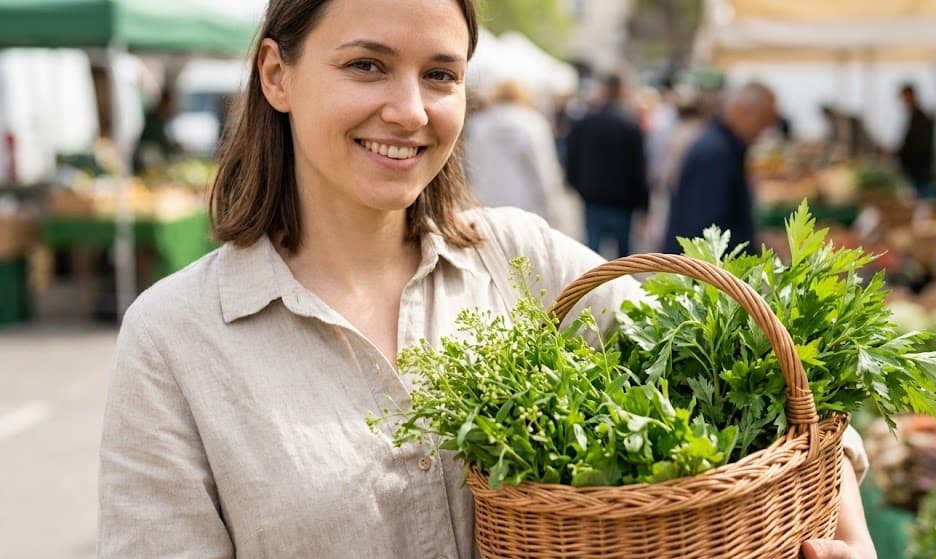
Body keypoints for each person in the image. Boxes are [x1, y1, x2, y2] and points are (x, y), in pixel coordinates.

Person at [97, 2, 876, 558]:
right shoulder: (178, 335)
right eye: (367, 65)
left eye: (441, 74)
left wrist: (848, 532)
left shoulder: (521, 259)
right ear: (277, 74)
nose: (409, 109)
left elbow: (774, 383)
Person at [661, 82, 777, 254]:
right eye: (763, 120)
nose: (764, 129)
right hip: (700, 270)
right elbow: (705, 227)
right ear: (742, 112)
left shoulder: (722, 146)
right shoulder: (715, 153)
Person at [566, 73, 649, 258]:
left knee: (591, 258)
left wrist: (576, 186)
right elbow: (639, 168)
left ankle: (593, 288)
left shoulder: (587, 122)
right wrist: (644, 204)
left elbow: (572, 158)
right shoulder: (629, 124)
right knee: (622, 263)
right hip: (622, 203)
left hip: (594, 198)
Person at [463, 80, 564, 223]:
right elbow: (544, 169)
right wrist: (551, 206)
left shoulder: (479, 124)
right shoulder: (534, 123)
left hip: (485, 202)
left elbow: (469, 165)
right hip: (526, 207)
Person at [896, 83, 936, 199]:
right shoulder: (914, 117)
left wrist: (899, 153)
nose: (904, 103)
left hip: (920, 173)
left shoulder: (921, 119)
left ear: (912, 96)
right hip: (916, 173)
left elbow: (917, 147)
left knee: (922, 202)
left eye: (905, 98)